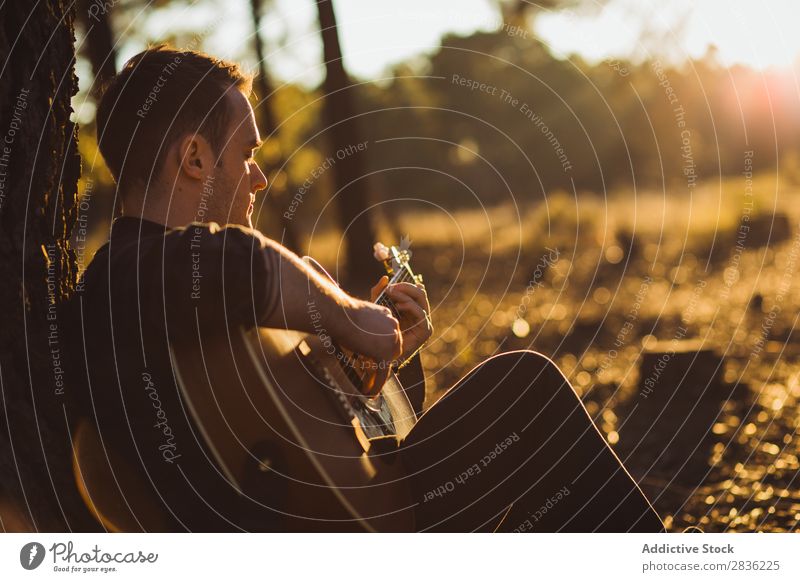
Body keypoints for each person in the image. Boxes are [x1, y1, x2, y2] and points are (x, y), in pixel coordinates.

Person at [70, 45, 664, 533]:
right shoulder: (121, 277)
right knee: (522, 389)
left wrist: (383, 358)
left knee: (552, 491)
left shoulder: (197, 297)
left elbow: (350, 445)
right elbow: (239, 263)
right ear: (194, 157)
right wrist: (351, 317)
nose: (260, 175)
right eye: (246, 153)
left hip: (352, 520)